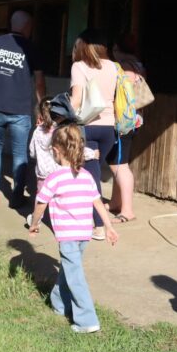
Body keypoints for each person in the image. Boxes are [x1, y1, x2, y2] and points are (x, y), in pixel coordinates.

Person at [28, 124, 118, 333]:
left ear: (56, 151)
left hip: (68, 236)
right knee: (69, 270)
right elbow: (98, 202)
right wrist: (108, 226)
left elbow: (41, 203)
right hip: (84, 235)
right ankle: (59, 305)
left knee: (75, 275)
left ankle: (87, 320)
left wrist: (34, 224)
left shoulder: (54, 178)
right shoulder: (86, 176)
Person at [0, 10, 46, 208]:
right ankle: (16, 197)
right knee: (20, 154)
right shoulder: (31, 48)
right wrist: (42, 107)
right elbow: (39, 82)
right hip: (20, 111)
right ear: (26, 27)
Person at [69, 29, 118, 239]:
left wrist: (64, 119)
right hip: (109, 127)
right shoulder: (113, 66)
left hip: (87, 126)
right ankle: (89, 216)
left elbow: (77, 99)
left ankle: (98, 225)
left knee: (91, 176)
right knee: (93, 171)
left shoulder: (78, 67)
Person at [29, 97, 99, 199]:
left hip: (42, 174)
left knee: (41, 197)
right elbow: (74, 150)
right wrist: (92, 154)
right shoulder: (61, 132)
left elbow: (32, 153)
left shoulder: (37, 131)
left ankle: (39, 215)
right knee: (58, 199)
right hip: (59, 174)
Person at [106, 40, 145, 223]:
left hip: (123, 121)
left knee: (119, 165)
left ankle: (127, 210)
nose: (113, 52)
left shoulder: (125, 67)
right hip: (133, 119)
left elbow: (122, 95)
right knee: (119, 161)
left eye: (114, 48)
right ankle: (116, 202)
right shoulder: (138, 65)